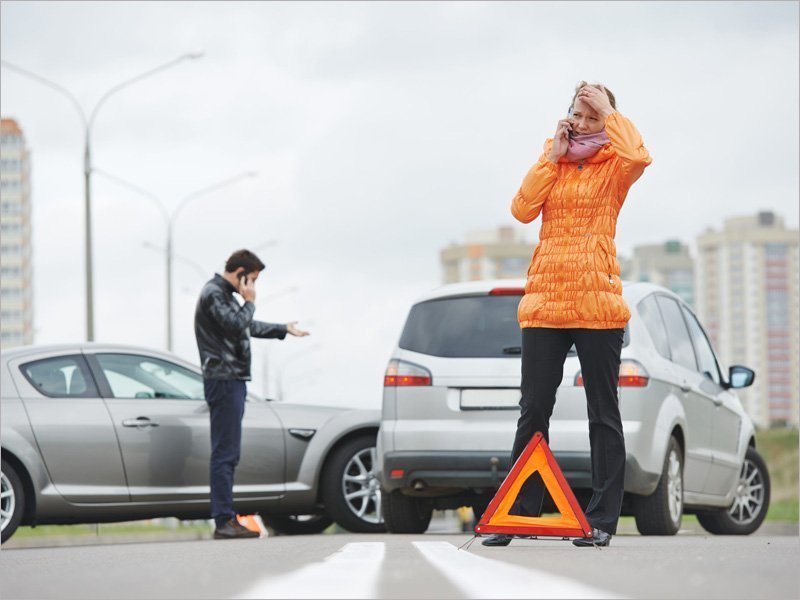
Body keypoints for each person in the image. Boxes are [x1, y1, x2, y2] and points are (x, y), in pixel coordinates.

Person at [482, 81, 652, 548]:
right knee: (533, 409)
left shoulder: (616, 164)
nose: (582, 122)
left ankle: (601, 520)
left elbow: (640, 157)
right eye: (578, 113)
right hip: (544, 304)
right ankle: (519, 515)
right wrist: (550, 158)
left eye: (593, 116)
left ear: (609, 122)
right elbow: (521, 210)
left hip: (597, 305)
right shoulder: (552, 159)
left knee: (603, 413)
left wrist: (610, 114)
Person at [194, 249, 309, 539]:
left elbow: (246, 326)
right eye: (252, 279)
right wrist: (250, 301)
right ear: (240, 272)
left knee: (229, 453)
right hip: (223, 379)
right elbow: (236, 324)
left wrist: (283, 329)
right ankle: (223, 521)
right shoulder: (214, 294)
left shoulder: (224, 296)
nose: (254, 286)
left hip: (231, 379)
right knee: (225, 453)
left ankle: (226, 518)